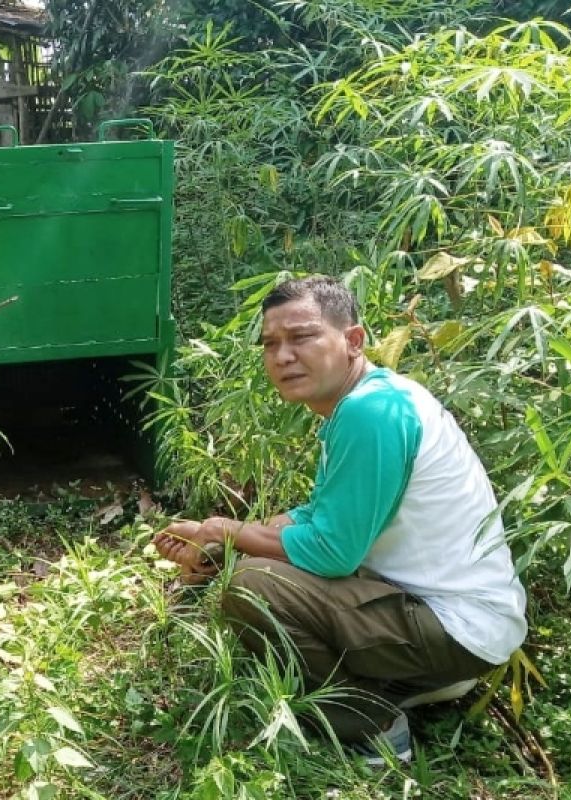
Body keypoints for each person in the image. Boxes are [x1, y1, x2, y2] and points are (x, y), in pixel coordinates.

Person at [153, 275, 527, 764]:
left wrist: (228, 532)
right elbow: (320, 516)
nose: (283, 356)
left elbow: (332, 553)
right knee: (254, 566)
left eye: (302, 336)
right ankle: (410, 679)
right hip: (450, 615)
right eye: (271, 344)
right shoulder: (370, 401)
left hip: (457, 626)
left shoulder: (371, 413)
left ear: (353, 341)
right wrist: (217, 539)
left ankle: (372, 723)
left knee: (251, 588)